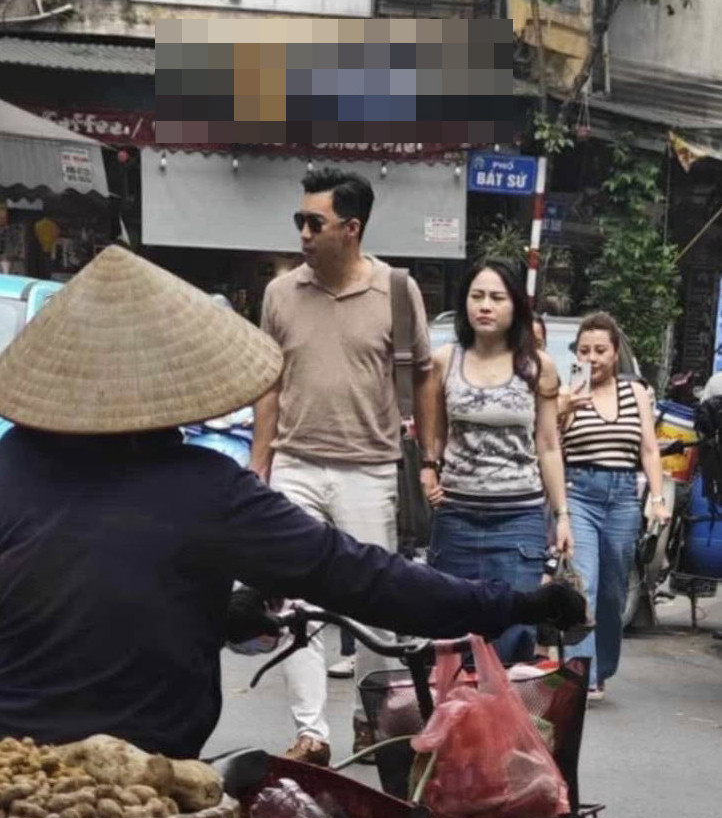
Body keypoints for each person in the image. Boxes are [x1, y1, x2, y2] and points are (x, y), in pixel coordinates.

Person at [0, 244, 586, 759]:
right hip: (143, 777)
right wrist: (517, 605)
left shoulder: (12, 464)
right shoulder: (205, 488)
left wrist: (220, 611)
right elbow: (363, 577)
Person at [250, 166, 436, 766]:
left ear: (351, 228)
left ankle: (372, 719)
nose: (303, 232)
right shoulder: (281, 293)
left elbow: (424, 376)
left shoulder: (397, 289)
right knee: (296, 607)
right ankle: (312, 733)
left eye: (315, 222)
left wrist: (430, 459)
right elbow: (268, 386)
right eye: (298, 220)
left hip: (370, 468)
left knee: (373, 609)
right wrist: (261, 470)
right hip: (296, 465)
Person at [419, 258, 573, 664]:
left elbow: (548, 444)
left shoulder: (538, 366)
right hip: (456, 516)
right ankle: (458, 725)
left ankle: (504, 727)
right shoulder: (444, 360)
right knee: (452, 637)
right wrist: (429, 467)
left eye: (496, 297)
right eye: (477, 296)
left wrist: (561, 515)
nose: (485, 306)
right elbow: (434, 430)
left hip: (518, 521)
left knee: (510, 637)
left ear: (515, 306)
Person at [559, 312, 671, 702]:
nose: (592, 358)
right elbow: (551, 446)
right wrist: (565, 407)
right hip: (579, 491)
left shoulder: (636, 393)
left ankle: (601, 667)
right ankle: (580, 674)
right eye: (585, 350)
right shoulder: (565, 393)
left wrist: (657, 499)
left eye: (600, 350)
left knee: (611, 591)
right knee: (583, 584)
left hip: (623, 495)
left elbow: (649, 449)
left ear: (616, 352)